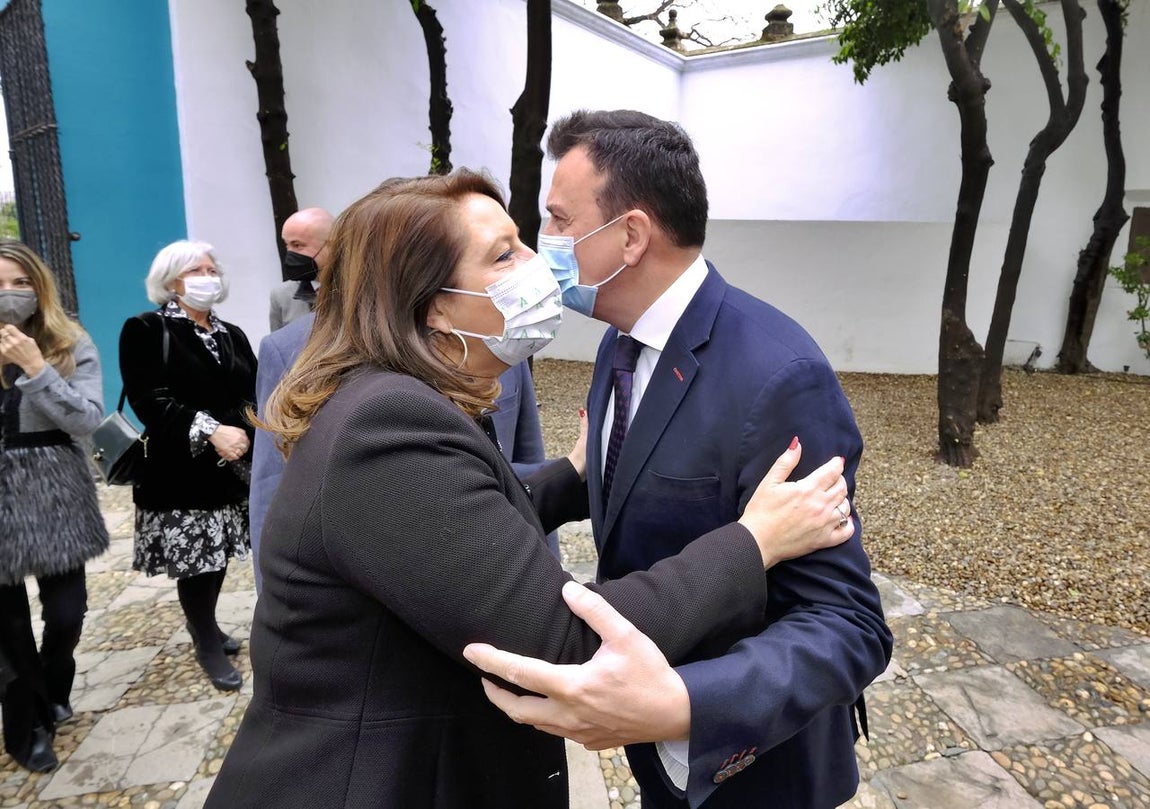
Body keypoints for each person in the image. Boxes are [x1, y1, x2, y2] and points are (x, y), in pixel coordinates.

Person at [206, 170, 856, 809]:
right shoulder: (386, 424)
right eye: (504, 253)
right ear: (432, 303)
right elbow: (562, 642)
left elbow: (460, 533)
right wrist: (755, 540)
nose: (538, 262)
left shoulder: (402, 398)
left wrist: (572, 478)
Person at [464, 110, 894, 809]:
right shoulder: (619, 342)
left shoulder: (778, 374)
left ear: (631, 235)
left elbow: (849, 624)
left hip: (753, 771)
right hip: (655, 758)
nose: (548, 246)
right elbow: (620, 485)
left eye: (559, 220)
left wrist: (683, 704)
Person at [249, 310, 550, 592]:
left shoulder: (501, 338)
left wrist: (549, 565)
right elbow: (272, 488)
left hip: (503, 574)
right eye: (501, 256)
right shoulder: (289, 347)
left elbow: (525, 457)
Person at [118, 240, 257, 693]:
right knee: (197, 564)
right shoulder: (145, 328)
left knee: (217, 559)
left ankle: (209, 629)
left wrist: (242, 433)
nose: (209, 276)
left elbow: (251, 393)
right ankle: (205, 641)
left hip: (230, 468)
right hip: (178, 472)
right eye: (197, 269)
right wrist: (213, 430)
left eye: (213, 268)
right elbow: (149, 399)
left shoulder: (231, 333)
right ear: (172, 279)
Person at [0, 240, 109, 773]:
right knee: (8, 626)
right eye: (0, 283)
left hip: (54, 489)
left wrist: (36, 368)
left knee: (66, 614)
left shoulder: (70, 341)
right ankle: (27, 725)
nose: (10, 293)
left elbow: (87, 418)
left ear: (39, 286)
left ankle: (53, 682)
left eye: (21, 282)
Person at [269, 207, 333, 331]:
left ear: (331, 245)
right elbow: (279, 345)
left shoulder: (359, 289)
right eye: (287, 245)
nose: (289, 254)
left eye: (297, 245)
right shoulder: (282, 296)